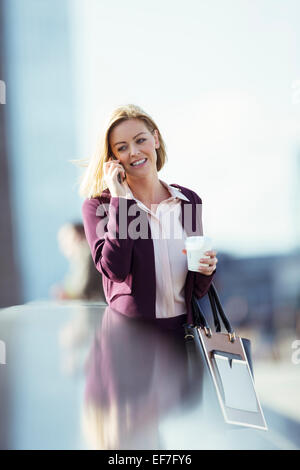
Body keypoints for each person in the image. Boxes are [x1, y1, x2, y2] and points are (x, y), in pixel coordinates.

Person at [79, 104, 218, 330]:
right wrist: (121, 201)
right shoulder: (99, 206)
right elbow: (115, 269)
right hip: (131, 342)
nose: (133, 151)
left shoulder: (188, 201)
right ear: (112, 159)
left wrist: (206, 269)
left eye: (140, 140)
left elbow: (197, 290)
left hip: (183, 337)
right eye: (122, 147)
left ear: (155, 139)